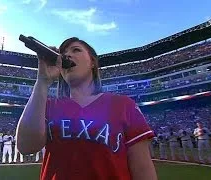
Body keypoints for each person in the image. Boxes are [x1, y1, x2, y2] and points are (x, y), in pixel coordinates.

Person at [16, 37, 157, 180]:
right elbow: (25, 146)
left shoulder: (124, 105)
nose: (67, 55)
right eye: (64, 54)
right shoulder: (47, 106)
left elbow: (143, 169)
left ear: (93, 63)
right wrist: (42, 81)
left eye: (75, 50)